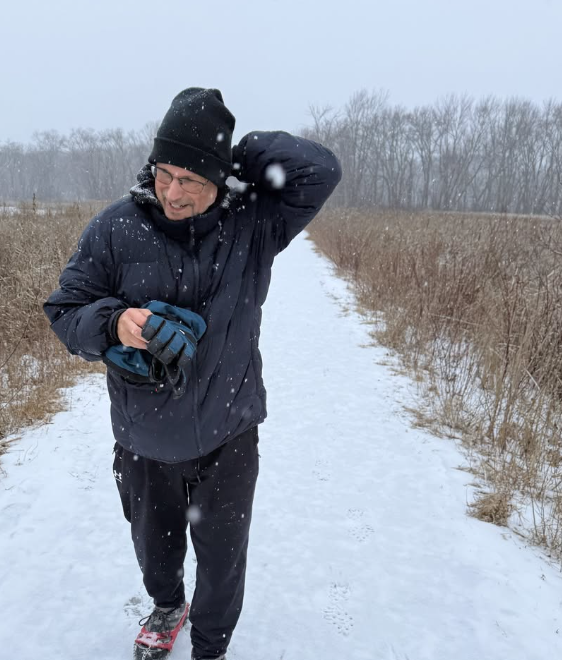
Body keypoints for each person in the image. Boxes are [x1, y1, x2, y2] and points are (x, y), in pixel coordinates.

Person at [43, 87, 341, 660]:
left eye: (192, 179)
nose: (174, 192)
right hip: (143, 435)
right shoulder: (116, 228)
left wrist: (237, 152)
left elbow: (320, 170)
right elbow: (65, 311)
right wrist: (115, 323)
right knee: (155, 551)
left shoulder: (255, 224)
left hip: (229, 432)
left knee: (223, 559)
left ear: (220, 179)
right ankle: (166, 606)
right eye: (165, 173)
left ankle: (210, 647)